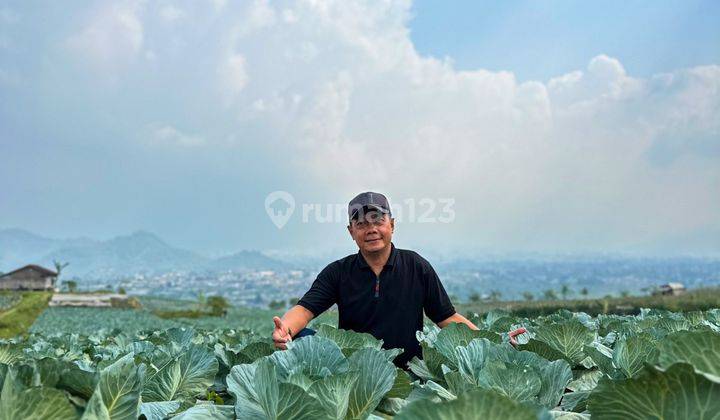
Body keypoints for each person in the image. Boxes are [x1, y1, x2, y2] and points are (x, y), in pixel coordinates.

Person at [272, 192, 500, 368]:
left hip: (407, 369)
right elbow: (305, 310)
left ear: (392, 224)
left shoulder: (416, 266)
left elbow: (447, 317)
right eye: (361, 224)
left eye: (377, 221)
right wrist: (286, 330)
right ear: (351, 231)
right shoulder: (338, 272)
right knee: (300, 336)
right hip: (354, 371)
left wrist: (492, 344)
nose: (371, 229)